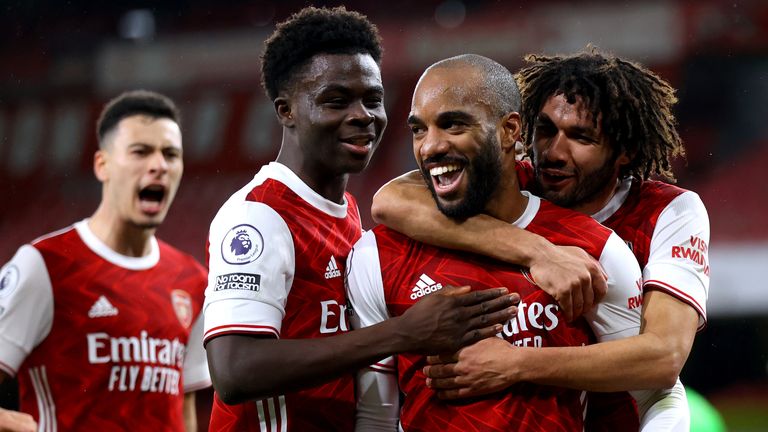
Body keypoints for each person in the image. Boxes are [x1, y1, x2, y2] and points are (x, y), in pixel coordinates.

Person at [202, 8, 518, 432]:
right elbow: (235, 371)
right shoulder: (258, 216)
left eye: (372, 99)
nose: (363, 115)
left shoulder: (346, 212)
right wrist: (404, 333)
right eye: (336, 101)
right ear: (286, 111)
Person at [347, 54, 686, 431]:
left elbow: (656, 382)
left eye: (453, 125)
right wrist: (536, 250)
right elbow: (376, 415)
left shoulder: (595, 249)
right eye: (419, 130)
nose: (430, 147)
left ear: (510, 131)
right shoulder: (377, 253)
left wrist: (514, 364)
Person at [0, 90, 211, 431]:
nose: (159, 165)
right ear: (103, 165)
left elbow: (183, 408)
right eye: (141, 152)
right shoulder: (45, 266)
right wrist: (14, 422)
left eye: (170, 154)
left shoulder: (193, 281)